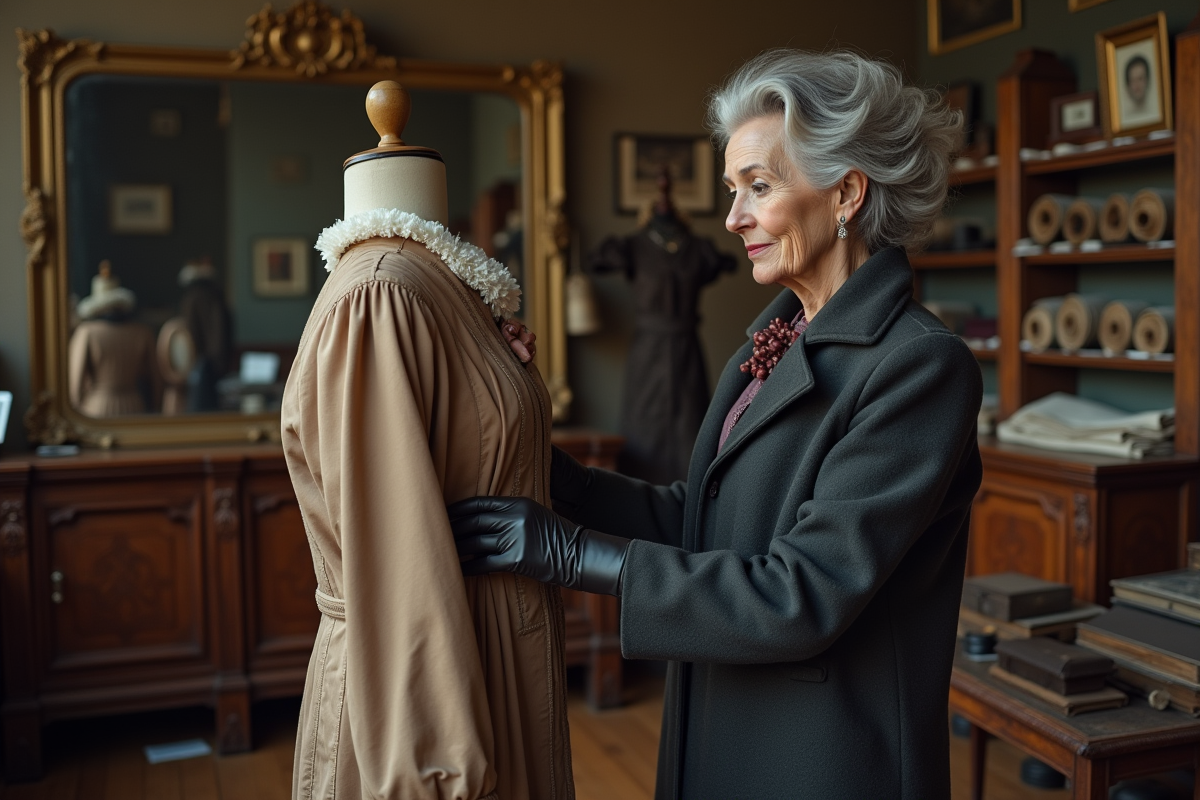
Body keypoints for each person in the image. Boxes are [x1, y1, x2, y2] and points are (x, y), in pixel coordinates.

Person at [450, 49, 980, 799]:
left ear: (847, 193)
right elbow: (699, 515)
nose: (732, 218)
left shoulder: (922, 367)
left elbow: (804, 590)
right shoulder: (771, 340)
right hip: (726, 720)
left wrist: (573, 557)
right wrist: (554, 480)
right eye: (735, 190)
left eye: (758, 188)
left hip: (821, 757)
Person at [281, 81, 571, 800]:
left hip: (495, 655)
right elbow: (398, 566)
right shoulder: (379, 294)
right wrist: (436, 763)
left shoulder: (447, 286)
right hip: (440, 691)